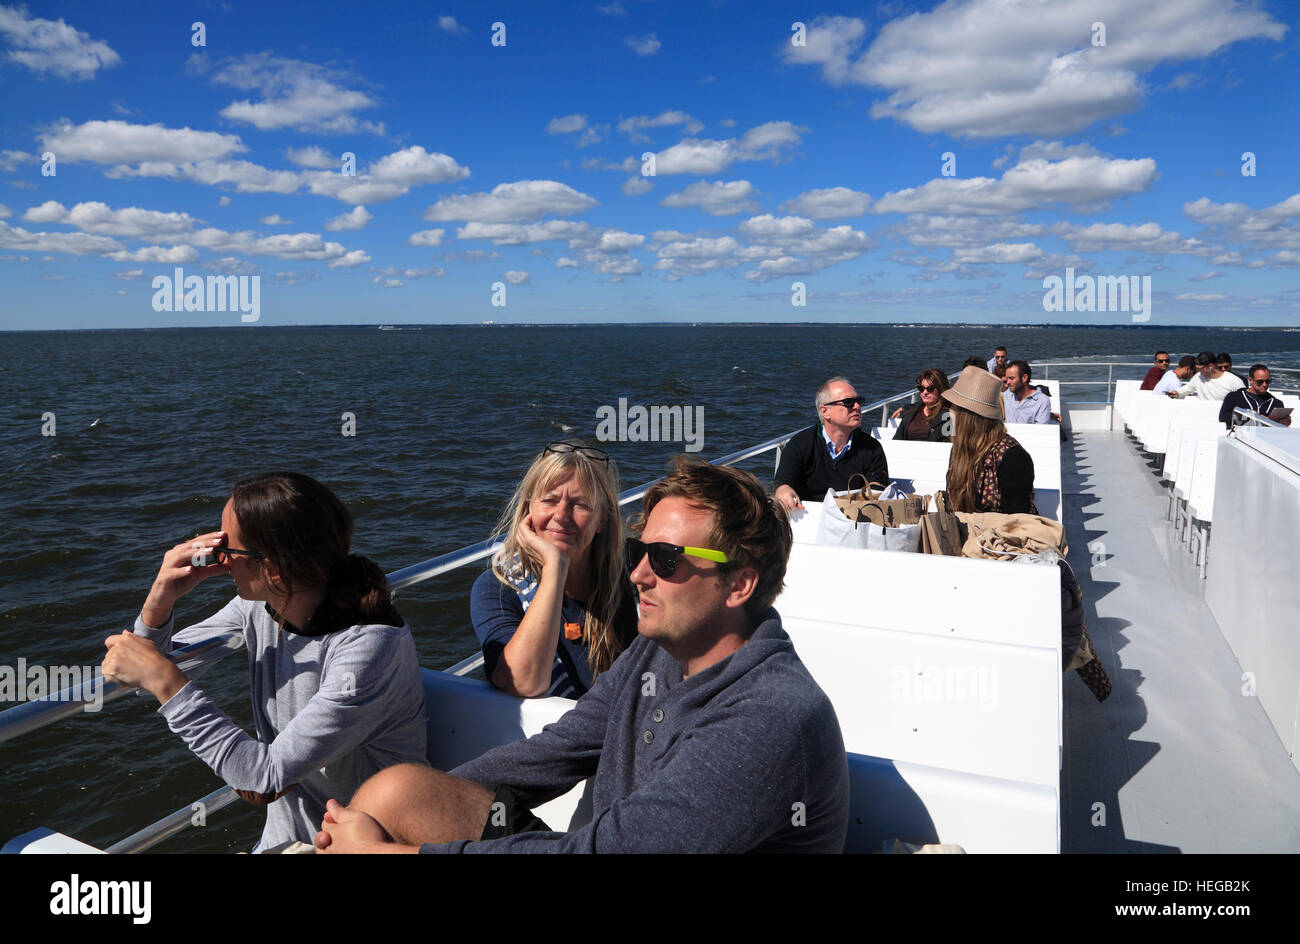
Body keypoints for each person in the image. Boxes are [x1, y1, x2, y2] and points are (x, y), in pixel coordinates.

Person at [313, 458, 850, 854]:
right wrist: (368, 822)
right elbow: (554, 752)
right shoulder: (655, 651)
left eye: (665, 559)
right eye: (641, 552)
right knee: (397, 790)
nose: (638, 574)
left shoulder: (770, 717)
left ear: (739, 585)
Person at [100, 472, 428, 853]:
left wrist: (166, 682)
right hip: (288, 841)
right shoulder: (262, 606)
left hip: (366, 844)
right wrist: (159, 602)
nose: (217, 557)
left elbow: (263, 781)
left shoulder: (369, 645)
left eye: (228, 549)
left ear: (272, 569)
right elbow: (141, 671)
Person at [472, 440, 638, 699]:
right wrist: (555, 569)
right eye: (549, 500)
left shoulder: (633, 579)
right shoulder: (498, 589)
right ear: (529, 510)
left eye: (580, 504)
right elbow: (523, 681)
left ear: (602, 520)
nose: (561, 515)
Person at [772, 376, 888, 511]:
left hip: (852, 522)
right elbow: (783, 480)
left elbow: (878, 491)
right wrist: (783, 489)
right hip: (807, 518)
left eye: (858, 401)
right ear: (825, 411)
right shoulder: (801, 444)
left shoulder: (872, 448)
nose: (857, 407)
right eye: (849, 402)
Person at [941, 367, 1037, 514]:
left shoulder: (1012, 457)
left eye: (953, 405)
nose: (949, 410)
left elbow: (1017, 521)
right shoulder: (959, 449)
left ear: (969, 416)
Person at [1219, 365, 1292, 429]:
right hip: (1241, 438)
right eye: (1260, 382)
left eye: (1267, 381)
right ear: (1250, 380)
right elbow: (1224, 417)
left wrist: (1284, 423)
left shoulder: (1276, 403)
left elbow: (1279, 429)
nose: (1264, 384)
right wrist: (1257, 419)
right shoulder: (1234, 397)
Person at [890, 367, 952, 442]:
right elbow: (896, 441)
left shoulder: (948, 415)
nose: (925, 392)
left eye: (930, 389)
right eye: (921, 388)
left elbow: (948, 445)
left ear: (941, 389)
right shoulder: (910, 413)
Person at [1169, 351, 1245, 401]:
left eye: (1200, 369)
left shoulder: (1234, 381)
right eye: (1197, 368)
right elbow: (1187, 388)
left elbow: (1244, 399)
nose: (1198, 371)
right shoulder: (1198, 377)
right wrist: (1177, 392)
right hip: (1205, 413)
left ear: (1210, 366)